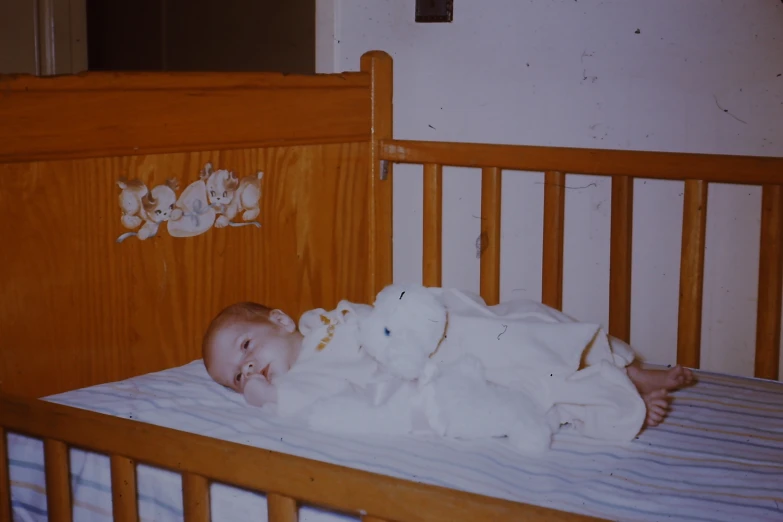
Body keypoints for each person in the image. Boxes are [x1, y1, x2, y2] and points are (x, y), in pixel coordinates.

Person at [202, 296, 694, 431]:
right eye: (236, 377)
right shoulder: (302, 386)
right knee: (522, 380)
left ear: (282, 321)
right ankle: (615, 394)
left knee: (523, 322)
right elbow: (304, 405)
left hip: (444, 335)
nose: (248, 370)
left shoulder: (324, 322)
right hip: (449, 371)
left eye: (246, 347)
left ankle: (627, 368)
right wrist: (266, 397)